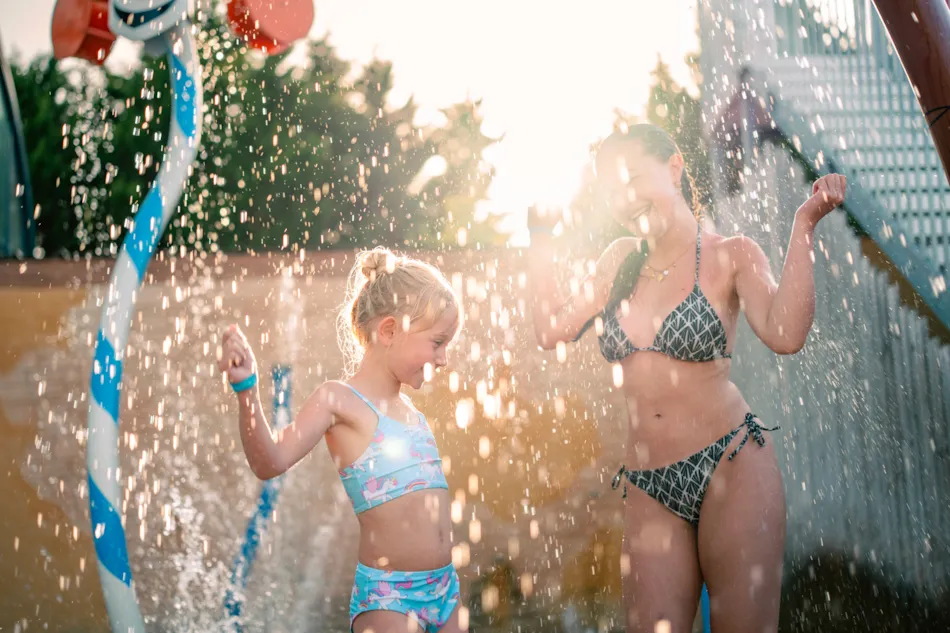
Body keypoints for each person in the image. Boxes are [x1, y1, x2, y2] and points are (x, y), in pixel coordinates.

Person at [526, 123, 846, 632]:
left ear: (674, 167)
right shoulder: (619, 263)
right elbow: (550, 329)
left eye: (633, 178)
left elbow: (786, 333)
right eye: (612, 190)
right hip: (650, 484)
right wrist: (540, 240)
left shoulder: (732, 255)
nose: (625, 198)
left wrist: (804, 223)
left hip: (732, 465)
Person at [218, 247, 466, 633]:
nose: (444, 358)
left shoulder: (412, 414)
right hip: (389, 598)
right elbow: (269, 461)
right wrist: (247, 390)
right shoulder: (337, 400)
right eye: (437, 342)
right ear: (389, 331)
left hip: (445, 590)